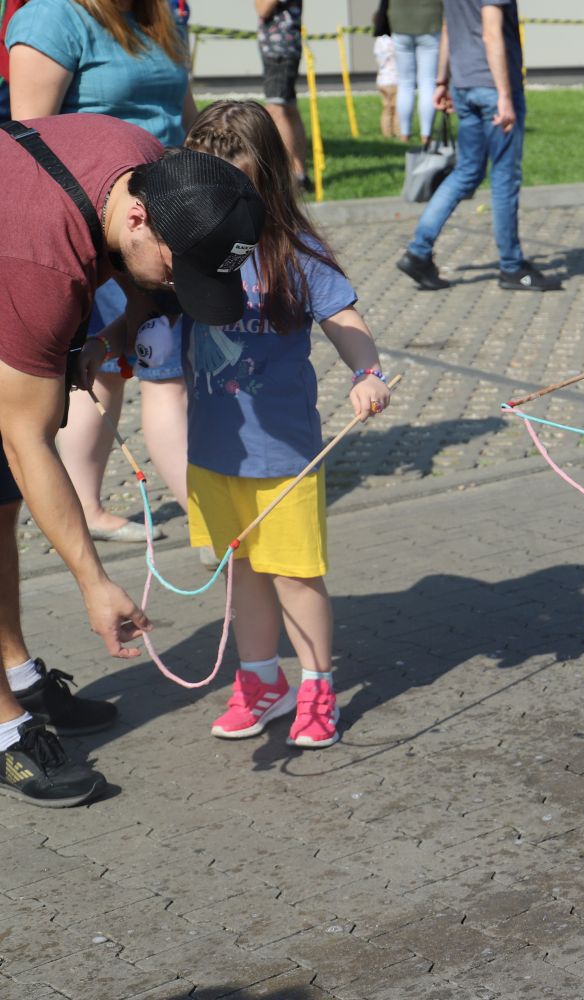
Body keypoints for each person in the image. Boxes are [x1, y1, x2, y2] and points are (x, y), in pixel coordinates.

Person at [1, 113, 265, 804]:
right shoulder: (42, 261)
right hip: (14, 261)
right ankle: (4, 731)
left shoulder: (152, 167)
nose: (183, 291)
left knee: (1, 508)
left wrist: (104, 333)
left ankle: (20, 679)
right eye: (183, 274)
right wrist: (95, 583)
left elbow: (141, 277)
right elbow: (28, 441)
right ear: (142, 218)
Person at [184, 101, 391, 749]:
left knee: (295, 575)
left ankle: (316, 685)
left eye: (234, 185)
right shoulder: (187, 247)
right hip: (215, 451)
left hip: (285, 454)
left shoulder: (296, 251)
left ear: (265, 177)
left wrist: (367, 374)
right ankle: (260, 680)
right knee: (243, 569)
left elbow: (347, 324)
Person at [8, 0, 200, 545]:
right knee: (162, 379)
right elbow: (27, 148)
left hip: (171, 224)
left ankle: (87, 505)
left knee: (113, 368)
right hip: (111, 227)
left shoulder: (159, 13)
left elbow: (187, 117)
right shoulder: (52, 19)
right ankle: (217, 523)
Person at [397, 0, 560, 293]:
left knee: (466, 172)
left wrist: (441, 81)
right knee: (504, 178)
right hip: (490, 87)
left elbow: (448, 28)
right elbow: (491, 33)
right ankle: (511, 267)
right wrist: (505, 95)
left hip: (463, 85)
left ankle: (418, 252)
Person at [255, 0, 308, 190]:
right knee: (289, 108)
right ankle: (299, 173)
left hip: (279, 48)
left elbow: (263, 8)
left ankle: (287, 176)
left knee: (277, 110)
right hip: (285, 45)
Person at [388, 0, 443, 145]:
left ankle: (404, 134)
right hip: (430, 23)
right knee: (428, 82)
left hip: (399, 23)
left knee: (405, 83)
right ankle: (426, 135)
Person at [373, 19, 399, 138]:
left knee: (386, 109)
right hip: (395, 78)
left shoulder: (379, 40)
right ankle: (399, 133)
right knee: (398, 109)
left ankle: (387, 134)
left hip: (382, 78)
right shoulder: (395, 39)